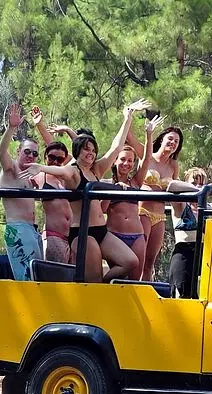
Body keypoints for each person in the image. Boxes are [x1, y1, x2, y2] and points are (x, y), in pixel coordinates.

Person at [19, 99, 150, 282]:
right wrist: (40, 167)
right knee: (93, 279)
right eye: (86, 149)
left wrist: (127, 118)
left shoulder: (96, 169)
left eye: (93, 150)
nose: (91, 153)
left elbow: (116, 147)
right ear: (78, 151)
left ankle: (105, 285)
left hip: (101, 230)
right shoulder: (73, 171)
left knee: (130, 262)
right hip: (83, 233)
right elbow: (61, 171)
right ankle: (98, 290)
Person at [103, 115, 165, 280]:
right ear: (115, 161)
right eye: (123, 159)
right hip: (115, 235)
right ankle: (103, 283)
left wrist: (149, 134)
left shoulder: (136, 182)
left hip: (137, 235)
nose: (126, 164)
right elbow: (102, 209)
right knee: (118, 278)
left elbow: (147, 159)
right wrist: (113, 190)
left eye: (130, 161)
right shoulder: (106, 183)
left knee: (134, 280)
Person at [126, 125, 182, 281]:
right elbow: (129, 137)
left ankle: (146, 289)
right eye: (170, 138)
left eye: (176, 141)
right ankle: (131, 288)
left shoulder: (173, 165)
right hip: (142, 211)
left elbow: (175, 188)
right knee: (139, 257)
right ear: (162, 139)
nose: (173, 143)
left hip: (160, 216)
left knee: (150, 262)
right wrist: (129, 117)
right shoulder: (147, 155)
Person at [0, 103, 43, 281]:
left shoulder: (31, 174)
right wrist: (11, 128)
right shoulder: (11, 169)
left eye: (35, 154)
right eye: (27, 152)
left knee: (37, 278)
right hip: (18, 229)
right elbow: (2, 152)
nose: (31, 156)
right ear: (18, 151)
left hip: (32, 230)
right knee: (27, 280)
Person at [166, 167, 207, 298]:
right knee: (181, 296)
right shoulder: (181, 205)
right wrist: (197, 191)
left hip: (204, 257)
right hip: (184, 254)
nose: (198, 186)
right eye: (194, 183)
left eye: (201, 184)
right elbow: (172, 185)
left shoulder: (208, 208)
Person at [33, 141, 73, 263]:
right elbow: (19, 180)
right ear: (45, 156)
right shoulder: (40, 175)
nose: (55, 162)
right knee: (56, 273)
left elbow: (78, 157)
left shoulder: (67, 178)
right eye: (51, 157)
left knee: (74, 274)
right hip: (53, 236)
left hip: (72, 237)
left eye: (60, 159)